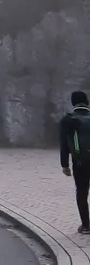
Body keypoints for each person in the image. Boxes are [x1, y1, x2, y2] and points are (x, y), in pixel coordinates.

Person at [60, 91, 90, 234]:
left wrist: (64, 164)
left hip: (80, 162)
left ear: (73, 103)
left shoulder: (68, 119)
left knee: (82, 192)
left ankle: (86, 226)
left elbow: (64, 144)